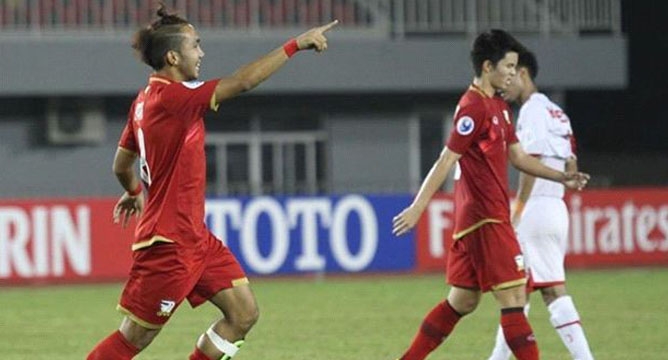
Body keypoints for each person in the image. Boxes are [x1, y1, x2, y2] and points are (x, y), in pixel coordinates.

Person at [86, 5, 337, 360]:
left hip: (195, 239)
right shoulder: (174, 98)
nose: (201, 53)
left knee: (243, 313)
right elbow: (244, 81)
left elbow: (120, 164)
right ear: (173, 56)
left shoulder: (143, 101)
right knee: (134, 338)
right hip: (169, 244)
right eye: (195, 45)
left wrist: (133, 192)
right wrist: (296, 43)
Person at [391, 29, 590, 360]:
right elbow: (446, 159)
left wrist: (562, 176)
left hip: (480, 219)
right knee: (514, 299)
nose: (513, 72)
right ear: (487, 67)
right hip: (486, 218)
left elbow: (520, 157)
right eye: (508, 65)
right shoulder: (474, 108)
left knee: (462, 301)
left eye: (515, 66)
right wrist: (418, 207)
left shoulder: (498, 106)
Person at [487, 50, 595, 360]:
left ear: (523, 73)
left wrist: (517, 211)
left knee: (549, 290)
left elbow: (529, 161)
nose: (504, 85)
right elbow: (571, 163)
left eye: (509, 75)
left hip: (535, 209)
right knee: (517, 292)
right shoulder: (557, 112)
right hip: (556, 209)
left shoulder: (532, 111)